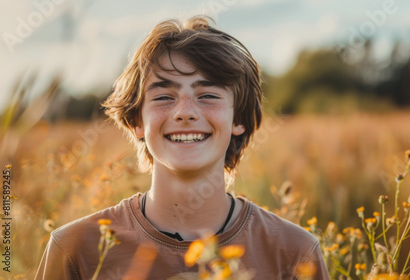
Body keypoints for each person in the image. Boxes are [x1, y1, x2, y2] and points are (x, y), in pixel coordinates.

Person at [35, 16, 330, 280]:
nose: (185, 112)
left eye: (208, 95)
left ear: (238, 117)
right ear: (137, 120)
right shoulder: (74, 250)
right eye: (164, 96)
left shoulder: (295, 253)